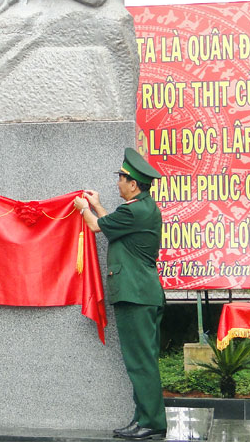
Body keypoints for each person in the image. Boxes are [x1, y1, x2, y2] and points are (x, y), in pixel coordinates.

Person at [74, 148, 167, 441]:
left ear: (134, 185)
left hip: (135, 296)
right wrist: (99, 205)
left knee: (140, 362)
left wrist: (82, 208)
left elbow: (95, 226)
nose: (118, 183)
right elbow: (112, 226)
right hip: (143, 294)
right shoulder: (142, 209)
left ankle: (152, 421)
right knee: (143, 359)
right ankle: (143, 418)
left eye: (122, 179)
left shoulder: (135, 210)